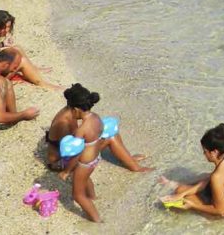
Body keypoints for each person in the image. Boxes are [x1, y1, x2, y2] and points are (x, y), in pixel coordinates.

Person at [45, 84, 152, 222]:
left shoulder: (79, 128)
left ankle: (97, 221)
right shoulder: (95, 117)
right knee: (85, 178)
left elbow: (75, 153)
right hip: (94, 159)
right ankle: (93, 197)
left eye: (72, 110)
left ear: (76, 109)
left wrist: (66, 171)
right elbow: (98, 134)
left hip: (83, 162)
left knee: (78, 195)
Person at [159, 124, 224, 217]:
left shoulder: (217, 177)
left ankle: (176, 186)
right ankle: (176, 185)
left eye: (205, 151)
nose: (204, 154)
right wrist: (184, 193)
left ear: (214, 152)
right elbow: (211, 180)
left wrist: (192, 205)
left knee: (179, 191)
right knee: (202, 179)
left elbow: (220, 211)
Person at [0, 9, 55, 87]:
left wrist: (3, 44)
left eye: (8, 27)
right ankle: (43, 84)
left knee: (16, 48)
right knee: (21, 61)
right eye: (4, 28)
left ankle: (34, 69)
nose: (7, 30)